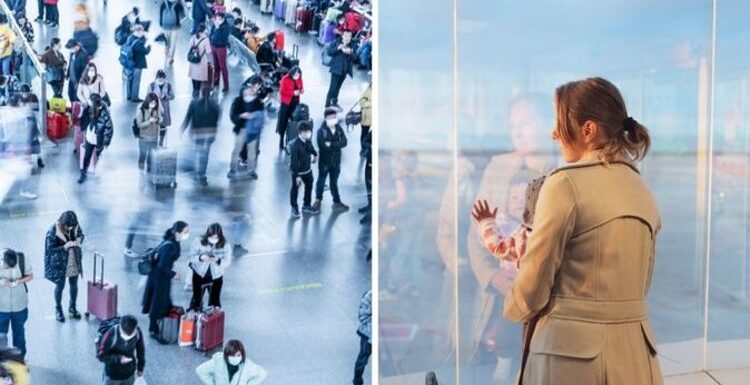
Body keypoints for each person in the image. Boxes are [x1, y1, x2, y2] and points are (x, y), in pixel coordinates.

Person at [478, 78, 661, 384]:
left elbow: (534, 283)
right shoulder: (641, 189)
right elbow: (641, 284)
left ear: (588, 130)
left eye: (560, 123)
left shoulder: (565, 184)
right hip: (636, 357)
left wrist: (510, 311)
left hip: (571, 360)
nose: (554, 133)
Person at [142, 221, 190, 343]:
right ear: (177, 232)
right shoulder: (170, 245)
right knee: (157, 302)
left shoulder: (174, 240)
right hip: (159, 278)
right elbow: (162, 266)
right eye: (185, 232)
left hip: (161, 277)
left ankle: (161, 324)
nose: (187, 234)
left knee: (163, 301)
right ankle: (153, 330)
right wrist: (173, 274)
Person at [44, 211, 84, 323]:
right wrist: (64, 247)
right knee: (60, 286)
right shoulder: (52, 231)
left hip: (73, 259)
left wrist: (79, 240)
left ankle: (72, 307)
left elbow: (81, 234)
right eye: (67, 226)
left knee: (74, 284)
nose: (69, 228)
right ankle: (58, 309)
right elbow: (50, 249)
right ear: (62, 223)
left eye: (72, 226)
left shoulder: (75, 225)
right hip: (59, 262)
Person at [228, 77, 268, 180]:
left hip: (253, 131)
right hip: (241, 128)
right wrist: (242, 115)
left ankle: (251, 170)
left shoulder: (258, 102)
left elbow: (262, 116)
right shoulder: (238, 101)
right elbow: (233, 116)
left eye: (258, 87)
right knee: (237, 149)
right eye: (255, 86)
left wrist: (256, 118)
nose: (256, 89)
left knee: (252, 151)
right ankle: (232, 169)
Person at [181, 86, 221, 186]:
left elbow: (188, 117)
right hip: (209, 133)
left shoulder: (194, 103)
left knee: (198, 152)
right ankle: (201, 175)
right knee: (204, 155)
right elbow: (217, 120)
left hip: (198, 133)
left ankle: (197, 172)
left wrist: (183, 128)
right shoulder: (215, 105)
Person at [312, 107, 349, 213]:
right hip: (325, 161)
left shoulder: (338, 129)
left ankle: (336, 202)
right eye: (331, 118)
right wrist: (337, 144)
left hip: (336, 162)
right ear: (326, 118)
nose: (333, 119)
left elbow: (345, 142)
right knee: (321, 181)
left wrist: (331, 144)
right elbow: (323, 146)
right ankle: (317, 200)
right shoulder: (321, 131)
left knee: (334, 182)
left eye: (334, 117)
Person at [0, 249, 33, 360]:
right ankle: (2, 360)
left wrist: (18, 281)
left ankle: (19, 359)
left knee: (19, 333)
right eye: (7, 267)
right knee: (1, 335)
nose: (9, 269)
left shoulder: (22, 259)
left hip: (19, 305)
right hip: (1, 307)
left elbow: (30, 276)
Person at [187, 223, 227, 310]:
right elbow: (190, 257)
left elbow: (227, 262)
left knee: (215, 303)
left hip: (216, 276)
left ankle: (213, 321)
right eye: (211, 237)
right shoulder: (198, 241)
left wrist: (218, 260)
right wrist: (201, 257)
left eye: (216, 238)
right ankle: (194, 319)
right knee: (196, 301)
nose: (214, 240)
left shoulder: (225, 244)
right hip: (199, 274)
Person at [97, 315, 145, 385]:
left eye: (131, 334)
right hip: (112, 375)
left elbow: (141, 350)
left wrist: (140, 368)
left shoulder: (137, 331)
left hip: (129, 373)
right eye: (125, 334)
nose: (129, 336)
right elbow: (100, 356)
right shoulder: (110, 334)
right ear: (120, 328)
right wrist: (118, 359)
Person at [195, 340, 267, 385]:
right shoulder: (218, 361)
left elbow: (262, 373)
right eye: (232, 355)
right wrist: (212, 383)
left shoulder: (247, 366)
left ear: (242, 354)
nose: (235, 358)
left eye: (238, 355)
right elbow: (200, 370)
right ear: (227, 355)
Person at [78, 93, 114, 183]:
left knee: (98, 155)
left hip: (99, 138)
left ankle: (95, 168)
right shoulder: (88, 108)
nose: (88, 102)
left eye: (90, 101)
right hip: (90, 136)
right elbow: (83, 119)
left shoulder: (104, 113)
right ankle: (83, 172)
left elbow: (109, 128)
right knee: (87, 155)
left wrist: (106, 142)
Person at [288, 120, 318, 218]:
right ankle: (294, 207)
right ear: (301, 132)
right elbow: (294, 163)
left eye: (309, 131)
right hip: (298, 172)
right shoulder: (295, 146)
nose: (309, 133)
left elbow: (312, 149)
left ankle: (306, 205)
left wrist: (315, 155)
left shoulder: (308, 141)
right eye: (307, 132)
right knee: (295, 189)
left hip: (308, 170)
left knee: (309, 187)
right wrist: (297, 176)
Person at [325, 30, 357, 108]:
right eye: (346, 36)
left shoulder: (352, 45)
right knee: (332, 88)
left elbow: (355, 57)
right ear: (342, 36)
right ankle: (327, 106)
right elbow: (329, 51)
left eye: (349, 36)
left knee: (338, 88)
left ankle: (334, 103)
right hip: (336, 70)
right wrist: (337, 48)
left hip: (344, 70)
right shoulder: (337, 42)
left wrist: (350, 53)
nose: (347, 38)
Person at [276, 67, 304, 150]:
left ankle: (289, 139)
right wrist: (293, 93)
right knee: (283, 121)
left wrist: (301, 90)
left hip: (295, 102)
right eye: (295, 74)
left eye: (298, 75)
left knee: (293, 121)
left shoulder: (299, 79)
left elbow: (301, 86)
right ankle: (281, 138)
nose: (297, 76)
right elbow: (282, 92)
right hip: (286, 103)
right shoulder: (285, 79)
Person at [135, 93, 163, 171]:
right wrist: (149, 121)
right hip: (144, 138)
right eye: (151, 103)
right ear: (147, 101)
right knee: (143, 156)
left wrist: (159, 120)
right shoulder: (141, 110)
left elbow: (161, 118)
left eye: (155, 103)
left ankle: (149, 172)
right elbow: (139, 125)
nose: (153, 105)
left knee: (151, 157)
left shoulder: (156, 109)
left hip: (154, 138)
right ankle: (141, 171)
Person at [77, 62, 107, 133]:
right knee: (86, 124)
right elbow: (79, 93)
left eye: (93, 70)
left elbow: (103, 92)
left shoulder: (99, 79)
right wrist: (85, 101)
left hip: (97, 104)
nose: (92, 72)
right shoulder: (83, 80)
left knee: (96, 124)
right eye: (90, 70)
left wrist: (96, 99)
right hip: (86, 105)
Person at [123, 24, 151, 102]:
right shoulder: (138, 42)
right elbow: (145, 51)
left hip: (129, 63)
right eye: (142, 31)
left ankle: (129, 95)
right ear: (138, 31)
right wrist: (149, 48)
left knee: (130, 79)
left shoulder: (130, 38)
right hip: (137, 64)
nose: (143, 33)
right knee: (136, 81)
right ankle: (134, 97)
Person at [147, 70, 175, 147]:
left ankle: (161, 141)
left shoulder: (169, 86)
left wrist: (165, 96)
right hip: (154, 109)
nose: (161, 80)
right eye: (159, 78)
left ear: (164, 78)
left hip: (164, 109)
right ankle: (154, 141)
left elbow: (172, 96)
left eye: (162, 78)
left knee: (163, 126)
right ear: (156, 77)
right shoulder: (152, 85)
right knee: (154, 126)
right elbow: (148, 97)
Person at [188, 24, 213, 98]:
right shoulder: (206, 39)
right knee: (199, 77)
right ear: (204, 30)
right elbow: (208, 51)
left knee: (193, 75)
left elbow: (189, 46)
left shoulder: (193, 37)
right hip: (201, 60)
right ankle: (197, 90)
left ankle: (194, 90)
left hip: (193, 60)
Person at [159, 0, 187, 65]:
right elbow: (184, 16)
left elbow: (160, 16)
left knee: (167, 41)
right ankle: (171, 59)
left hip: (165, 26)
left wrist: (162, 24)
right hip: (175, 27)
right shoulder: (178, 5)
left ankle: (166, 53)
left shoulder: (164, 3)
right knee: (173, 43)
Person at [352, 290, 371, 385]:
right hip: (368, 334)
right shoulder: (369, 296)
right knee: (363, 358)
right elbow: (362, 317)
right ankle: (357, 381)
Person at [210, 13, 231, 93]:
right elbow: (211, 33)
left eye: (219, 18)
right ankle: (216, 81)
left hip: (221, 48)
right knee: (216, 65)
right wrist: (211, 41)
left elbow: (223, 38)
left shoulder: (226, 27)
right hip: (214, 46)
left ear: (222, 18)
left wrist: (218, 28)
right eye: (217, 18)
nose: (217, 20)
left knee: (222, 66)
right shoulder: (215, 25)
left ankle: (226, 85)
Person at [358, 84, 371, 155]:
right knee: (364, 135)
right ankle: (363, 149)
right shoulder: (368, 90)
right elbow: (361, 103)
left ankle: (368, 150)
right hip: (366, 118)